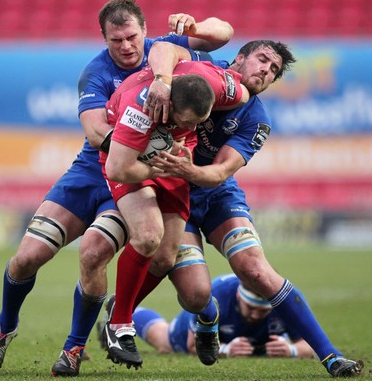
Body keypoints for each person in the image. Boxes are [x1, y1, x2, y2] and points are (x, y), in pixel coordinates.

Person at [0, 0, 234, 376]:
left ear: (145, 32)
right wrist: (148, 141)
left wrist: (194, 27)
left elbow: (224, 33)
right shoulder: (95, 73)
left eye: (132, 37)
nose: (127, 47)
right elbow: (97, 131)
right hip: (91, 171)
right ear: (104, 39)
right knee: (28, 257)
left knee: (95, 253)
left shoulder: (164, 52)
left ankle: (74, 347)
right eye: (116, 41)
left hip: (136, 177)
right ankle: (4, 327)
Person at [143, 40, 364, 377]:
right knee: (195, 295)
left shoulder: (257, 118)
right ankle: (206, 317)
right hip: (174, 193)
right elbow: (162, 48)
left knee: (255, 270)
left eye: (273, 70)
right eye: (262, 60)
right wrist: (162, 77)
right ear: (240, 58)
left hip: (215, 193)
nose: (266, 71)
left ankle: (332, 357)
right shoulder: (203, 65)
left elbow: (219, 172)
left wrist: (188, 170)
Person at [100, 58, 249, 369]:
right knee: (148, 235)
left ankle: (125, 312)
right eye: (188, 121)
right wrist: (155, 165)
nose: (194, 129)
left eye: (200, 122)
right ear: (168, 107)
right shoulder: (141, 108)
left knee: (166, 257)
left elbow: (245, 93)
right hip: (129, 159)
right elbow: (117, 167)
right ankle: (120, 325)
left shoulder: (220, 85)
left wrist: (182, 149)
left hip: (170, 161)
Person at [132, 273, 315, 359]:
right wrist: (225, 349)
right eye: (250, 307)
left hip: (244, 338)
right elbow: (192, 345)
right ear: (238, 296)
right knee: (164, 341)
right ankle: (125, 312)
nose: (255, 314)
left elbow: (313, 343)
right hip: (205, 333)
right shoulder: (216, 295)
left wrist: (292, 350)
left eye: (263, 311)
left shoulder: (284, 300)